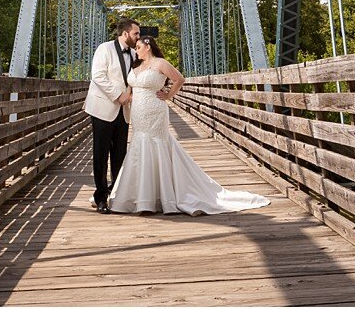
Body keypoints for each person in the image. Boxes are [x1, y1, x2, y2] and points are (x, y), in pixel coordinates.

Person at [107, 35, 270, 215]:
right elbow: (131, 86)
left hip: (155, 111)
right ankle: (143, 195)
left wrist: (168, 96)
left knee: (156, 144)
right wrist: (126, 97)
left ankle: (161, 196)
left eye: (138, 47)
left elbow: (179, 79)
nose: (135, 51)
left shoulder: (160, 63)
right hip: (138, 112)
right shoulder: (137, 65)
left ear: (148, 46)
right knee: (140, 145)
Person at [84, 17, 170, 212]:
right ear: (125, 34)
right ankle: (101, 198)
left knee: (120, 154)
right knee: (100, 153)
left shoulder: (135, 54)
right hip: (102, 108)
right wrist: (118, 95)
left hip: (125, 112)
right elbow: (98, 76)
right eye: (136, 33)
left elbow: (149, 75)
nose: (139, 37)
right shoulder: (104, 49)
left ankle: (116, 194)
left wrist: (165, 91)